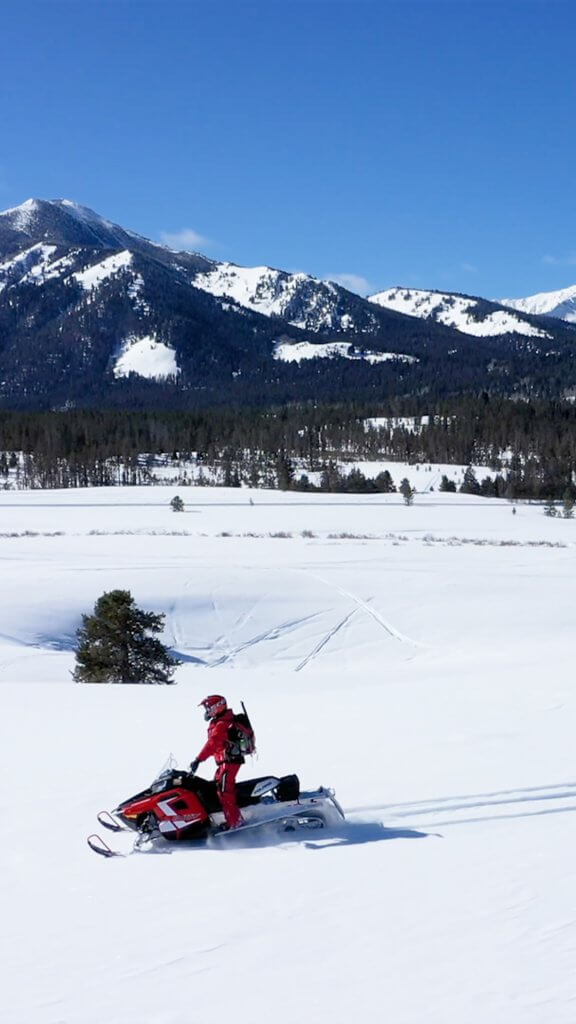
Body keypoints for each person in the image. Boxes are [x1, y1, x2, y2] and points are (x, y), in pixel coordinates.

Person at [189, 695, 245, 830]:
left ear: (216, 707)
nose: (206, 712)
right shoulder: (220, 721)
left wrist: (198, 759)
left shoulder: (222, 724)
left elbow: (212, 744)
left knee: (225, 791)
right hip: (225, 762)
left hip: (229, 762)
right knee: (217, 788)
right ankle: (226, 816)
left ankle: (235, 822)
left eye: (208, 708)